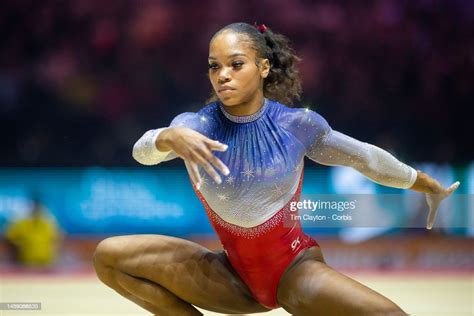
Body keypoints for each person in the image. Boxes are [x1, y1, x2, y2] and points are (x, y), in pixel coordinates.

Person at [93, 22, 460, 315]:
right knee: (108, 257)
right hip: (230, 277)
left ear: (263, 67)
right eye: (214, 66)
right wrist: (166, 137)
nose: (223, 75)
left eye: (236, 64)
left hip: (293, 271)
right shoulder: (194, 127)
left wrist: (425, 183)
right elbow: (142, 152)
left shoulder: (298, 126)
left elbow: (366, 158)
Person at [5, 197, 61, 267]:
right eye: (34, 207)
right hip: (25, 262)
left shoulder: (48, 222)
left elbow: (56, 239)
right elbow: (9, 238)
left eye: (38, 208)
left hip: (46, 262)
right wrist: (16, 250)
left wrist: (54, 252)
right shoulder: (21, 223)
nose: (36, 210)